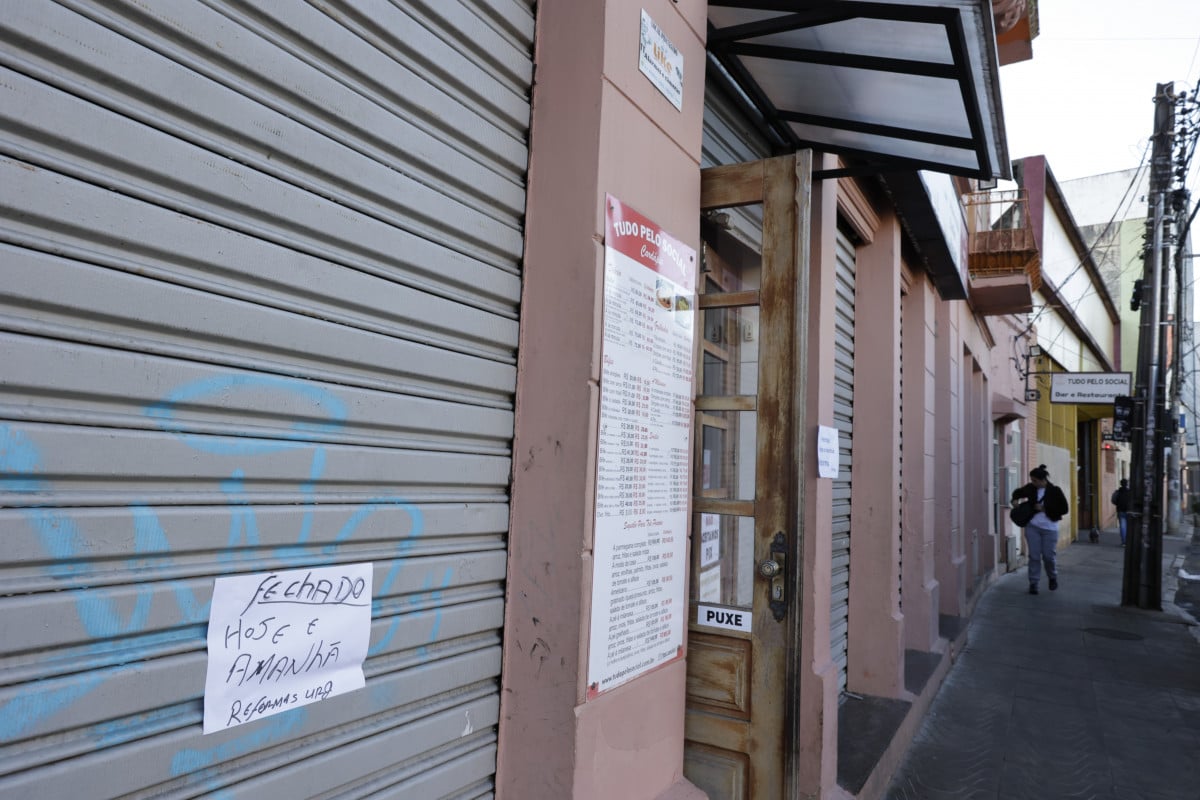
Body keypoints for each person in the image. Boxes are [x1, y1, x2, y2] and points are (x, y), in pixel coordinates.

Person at [1010, 464, 1070, 595]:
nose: (1033, 483)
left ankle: (1052, 577)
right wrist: (1015, 499)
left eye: (1035, 480)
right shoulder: (1031, 489)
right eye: (1032, 480)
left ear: (1043, 480)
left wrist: (1044, 509)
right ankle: (1033, 583)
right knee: (1034, 556)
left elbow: (1064, 509)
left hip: (1050, 528)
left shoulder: (1055, 491)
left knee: (1048, 556)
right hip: (1033, 527)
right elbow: (1018, 492)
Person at [1111, 479, 1131, 547]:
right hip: (1128, 511)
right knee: (1129, 527)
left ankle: (1124, 542)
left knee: (1122, 526)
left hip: (1120, 511)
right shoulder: (1130, 492)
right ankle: (1129, 541)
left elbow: (1113, 500)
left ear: (1121, 484)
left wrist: (1118, 504)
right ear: (1127, 484)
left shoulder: (1117, 492)